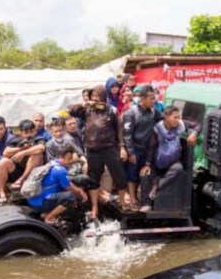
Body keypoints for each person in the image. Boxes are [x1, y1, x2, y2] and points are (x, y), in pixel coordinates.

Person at [69, 84, 127, 218]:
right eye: (93, 96)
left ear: (103, 96)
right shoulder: (87, 110)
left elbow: (119, 131)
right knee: (93, 178)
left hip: (109, 148)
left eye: (97, 96)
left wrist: (122, 147)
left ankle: (123, 201)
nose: (95, 99)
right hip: (93, 150)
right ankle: (95, 206)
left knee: (119, 175)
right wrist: (83, 105)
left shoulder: (111, 110)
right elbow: (71, 111)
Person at [140, 106, 200, 212]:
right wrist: (147, 164)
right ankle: (147, 203)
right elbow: (151, 147)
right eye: (175, 117)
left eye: (179, 117)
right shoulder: (157, 129)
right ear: (166, 117)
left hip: (173, 161)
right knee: (145, 174)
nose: (177, 120)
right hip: (158, 161)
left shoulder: (180, 125)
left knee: (178, 169)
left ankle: (157, 185)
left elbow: (198, 125)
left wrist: (194, 134)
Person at [122, 84, 163, 211]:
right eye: (151, 98)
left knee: (142, 174)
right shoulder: (132, 113)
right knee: (131, 176)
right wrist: (130, 152)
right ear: (143, 98)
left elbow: (163, 117)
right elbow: (127, 134)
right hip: (134, 149)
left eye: (154, 98)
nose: (154, 101)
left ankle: (139, 198)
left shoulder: (153, 111)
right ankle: (133, 199)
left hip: (146, 150)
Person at [26, 144, 88, 225]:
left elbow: (67, 183)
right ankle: (49, 216)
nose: (70, 161)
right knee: (71, 197)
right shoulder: (61, 170)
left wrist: (79, 190)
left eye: (71, 159)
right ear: (61, 157)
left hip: (32, 200)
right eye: (68, 159)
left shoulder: (52, 163)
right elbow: (68, 187)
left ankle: (46, 213)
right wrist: (80, 194)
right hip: (40, 203)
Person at [0, 119, 46, 204]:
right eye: (26, 132)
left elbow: (41, 148)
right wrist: (21, 148)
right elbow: (5, 153)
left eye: (31, 131)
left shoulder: (38, 139)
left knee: (37, 155)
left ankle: (21, 180)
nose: (29, 135)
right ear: (21, 133)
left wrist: (23, 153)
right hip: (18, 171)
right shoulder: (17, 141)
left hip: (34, 173)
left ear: (34, 131)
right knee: (3, 161)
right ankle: (2, 193)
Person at [46, 118, 99, 197]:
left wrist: (85, 163)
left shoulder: (68, 140)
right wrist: (71, 160)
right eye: (56, 132)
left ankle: (102, 198)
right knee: (86, 180)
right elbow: (51, 162)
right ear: (51, 132)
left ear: (64, 129)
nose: (59, 133)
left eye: (60, 131)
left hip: (75, 167)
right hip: (64, 171)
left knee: (93, 176)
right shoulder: (50, 144)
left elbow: (80, 153)